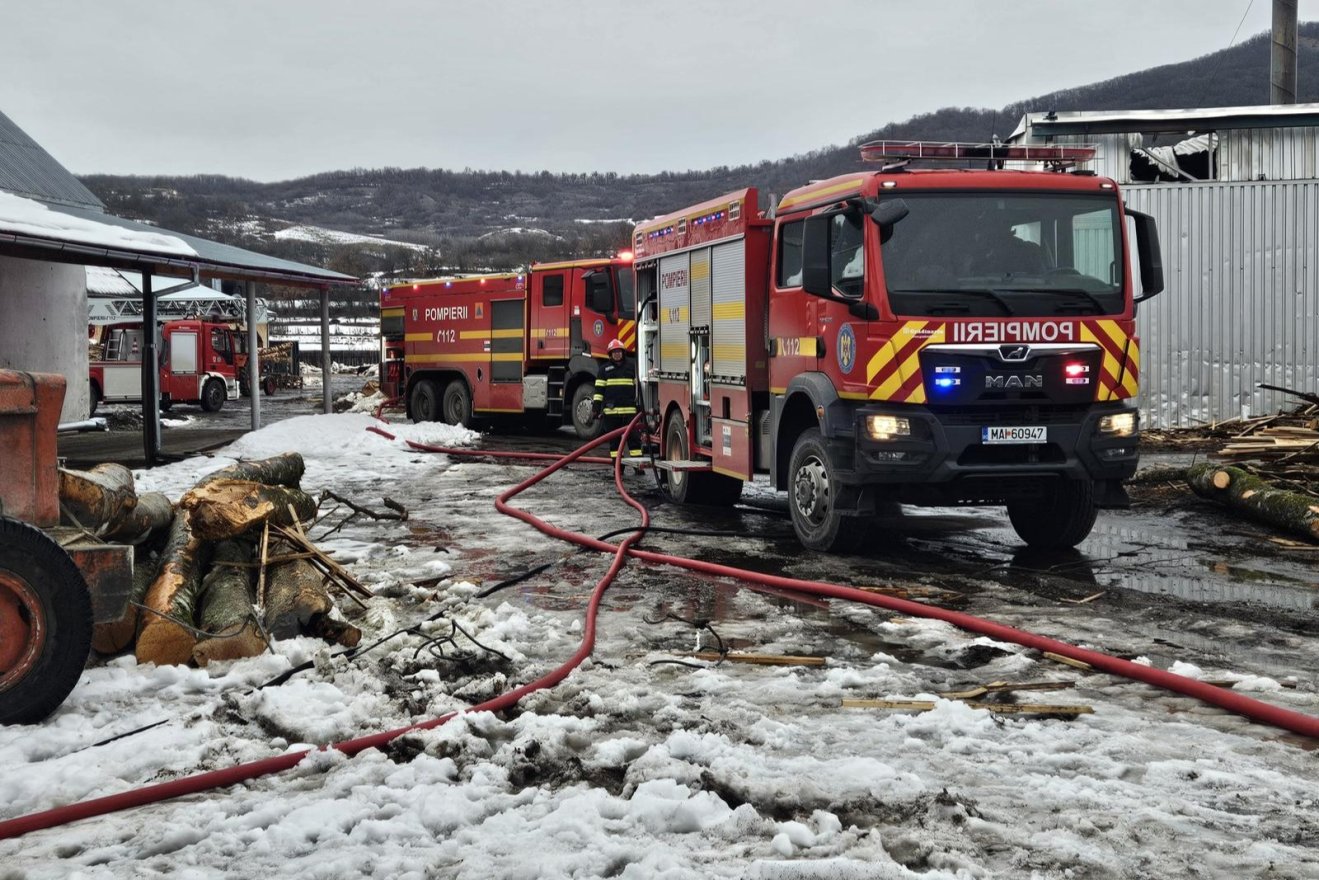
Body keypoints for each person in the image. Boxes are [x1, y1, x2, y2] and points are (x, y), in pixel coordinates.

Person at [592, 338, 640, 459]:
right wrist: (596, 408)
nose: (617, 354)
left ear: (623, 353)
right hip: (611, 413)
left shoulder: (631, 367)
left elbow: (639, 390)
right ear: (610, 354)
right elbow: (599, 391)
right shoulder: (604, 370)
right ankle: (617, 466)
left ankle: (638, 466)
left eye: (619, 352)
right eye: (614, 352)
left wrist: (640, 408)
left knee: (634, 440)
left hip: (630, 412)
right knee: (614, 442)